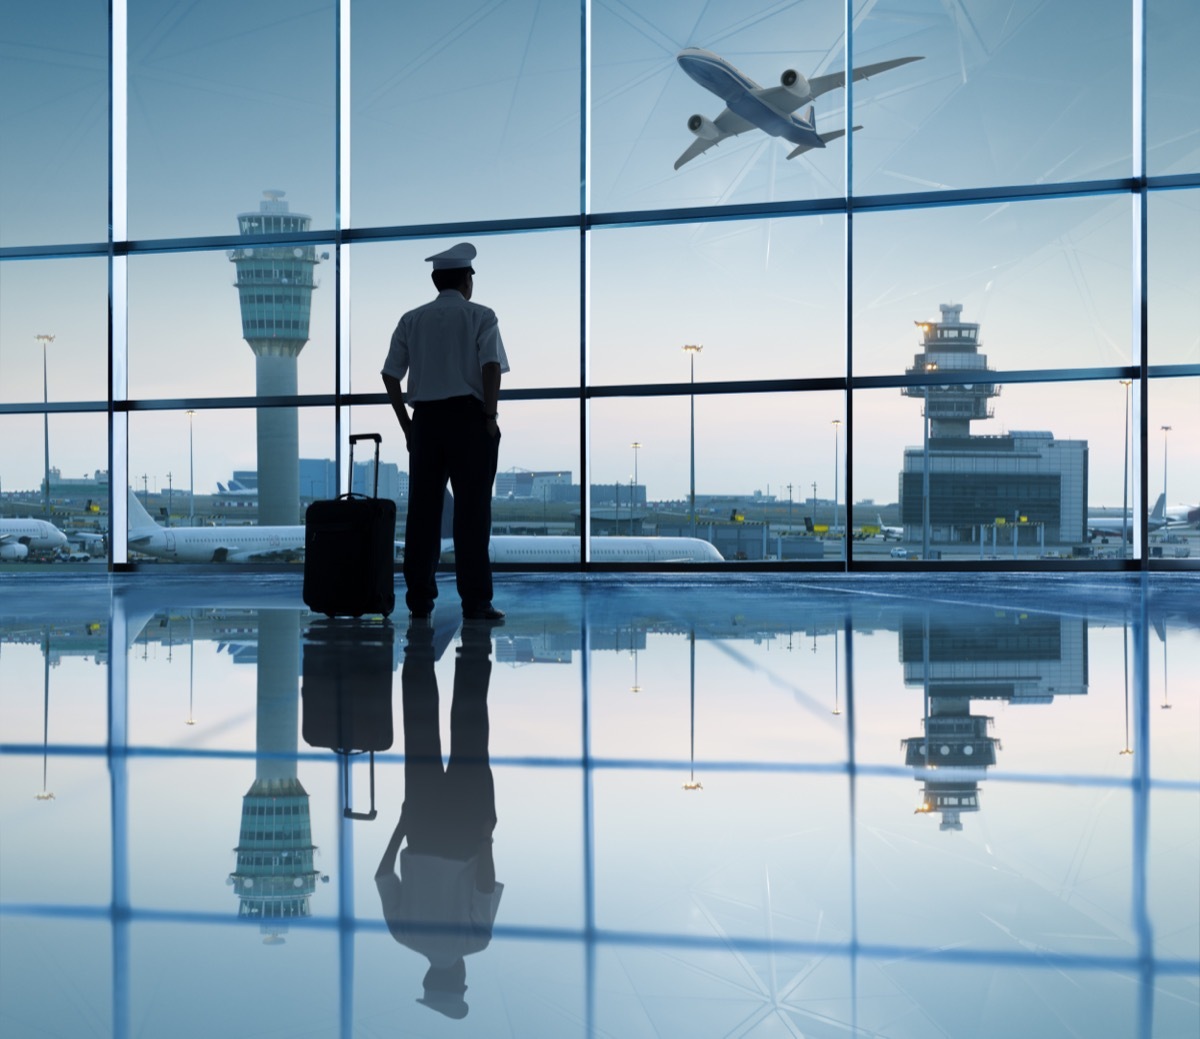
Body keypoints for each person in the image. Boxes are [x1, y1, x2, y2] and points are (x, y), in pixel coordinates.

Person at [375, 620, 501, 1020]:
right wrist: (401, 824)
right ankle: (417, 645)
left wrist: (486, 838)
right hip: (422, 826)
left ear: (456, 979)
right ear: (429, 978)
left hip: (465, 833)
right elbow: (383, 875)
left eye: (461, 984)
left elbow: (483, 887)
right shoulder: (402, 936)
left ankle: (475, 647)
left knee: (471, 728)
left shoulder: (475, 944)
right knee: (421, 728)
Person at [382, 242, 510, 621]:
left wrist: (408, 425)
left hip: (426, 423)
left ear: (436, 280)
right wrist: (490, 416)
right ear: (466, 280)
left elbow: (390, 375)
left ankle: (419, 601)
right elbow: (490, 367)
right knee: (472, 515)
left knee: (423, 515)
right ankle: (476, 602)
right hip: (469, 421)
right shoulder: (481, 316)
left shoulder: (412, 319)